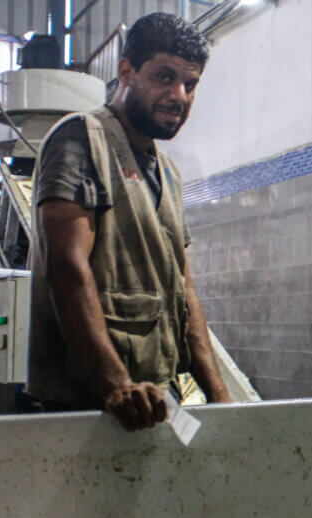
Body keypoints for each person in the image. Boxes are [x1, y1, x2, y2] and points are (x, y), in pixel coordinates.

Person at [27, 12, 229, 430]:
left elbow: (184, 291)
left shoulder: (168, 172)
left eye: (190, 84)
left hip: (154, 401)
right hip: (85, 408)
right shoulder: (81, 139)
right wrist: (115, 384)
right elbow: (66, 266)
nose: (179, 95)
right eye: (164, 77)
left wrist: (223, 400)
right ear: (126, 72)